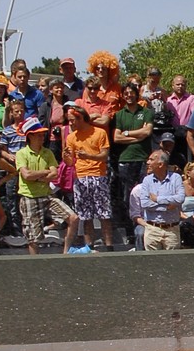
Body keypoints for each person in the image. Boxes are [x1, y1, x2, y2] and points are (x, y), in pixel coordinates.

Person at [15, 119, 77, 254]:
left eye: (42, 135)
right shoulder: (21, 154)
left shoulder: (47, 152)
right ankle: (35, 265)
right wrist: (45, 173)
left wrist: (36, 176)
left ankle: (66, 253)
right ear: (29, 136)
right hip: (29, 197)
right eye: (38, 135)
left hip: (47, 195)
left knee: (73, 218)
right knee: (33, 237)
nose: (42, 137)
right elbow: (26, 175)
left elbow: (55, 174)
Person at [64, 101, 113, 250]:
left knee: (104, 214)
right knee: (85, 215)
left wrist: (89, 156)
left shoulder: (99, 133)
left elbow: (104, 155)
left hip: (98, 175)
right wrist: (67, 157)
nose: (70, 123)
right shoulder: (71, 137)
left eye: (72, 120)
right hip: (80, 177)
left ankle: (109, 246)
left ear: (81, 118)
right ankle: (88, 246)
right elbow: (70, 162)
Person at [112, 81, 154, 246]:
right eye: (126, 93)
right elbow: (116, 138)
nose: (129, 95)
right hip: (125, 160)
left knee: (145, 194)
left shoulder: (146, 112)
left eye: (132, 92)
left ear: (137, 94)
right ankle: (130, 231)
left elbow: (148, 132)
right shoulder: (119, 115)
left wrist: (127, 133)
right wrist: (138, 135)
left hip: (142, 158)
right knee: (126, 196)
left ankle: (146, 228)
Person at [135, 151, 185, 250]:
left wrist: (157, 199)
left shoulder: (176, 178)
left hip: (172, 230)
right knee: (152, 263)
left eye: (151, 159)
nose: (148, 162)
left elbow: (180, 198)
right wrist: (167, 206)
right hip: (152, 229)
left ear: (161, 164)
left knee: (172, 262)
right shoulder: (147, 180)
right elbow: (145, 203)